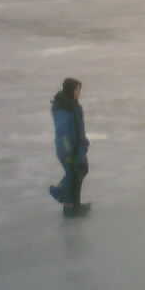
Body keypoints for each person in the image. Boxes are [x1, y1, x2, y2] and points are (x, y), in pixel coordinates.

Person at [48, 77, 90, 216]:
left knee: (80, 172)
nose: (79, 93)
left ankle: (74, 204)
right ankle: (69, 207)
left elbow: (79, 128)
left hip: (78, 147)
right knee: (74, 175)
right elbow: (63, 133)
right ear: (71, 90)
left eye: (79, 90)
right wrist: (68, 153)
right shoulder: (63, 109)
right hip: (68, 150)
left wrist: (84, 142)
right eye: (77, 90)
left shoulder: (73, 105)